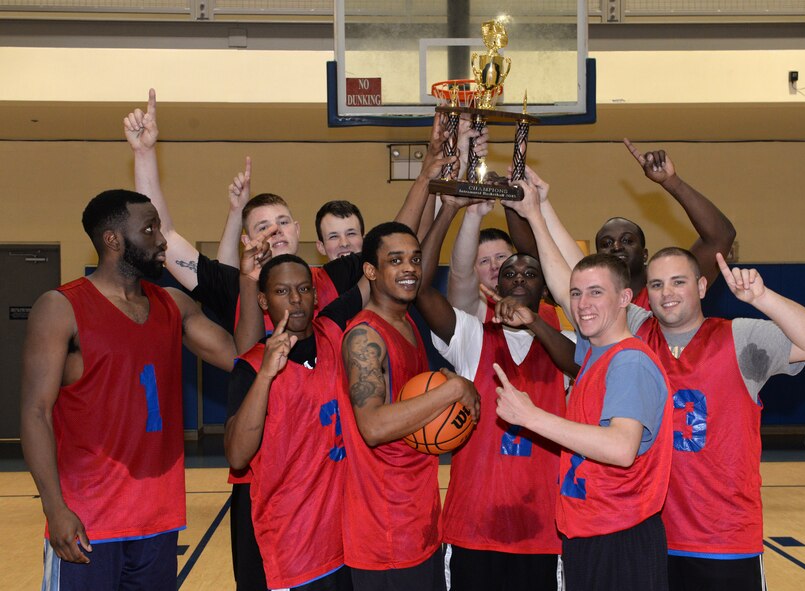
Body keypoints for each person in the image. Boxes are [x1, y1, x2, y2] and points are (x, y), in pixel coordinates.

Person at [125, 90, 454, 591]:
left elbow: (393, 242)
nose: (272, 232)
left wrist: (429, 174)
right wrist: (145, 154)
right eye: (260, 226)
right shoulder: (230, 285)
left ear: (299, 232)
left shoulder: (332, 287)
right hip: (266, 484)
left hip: (329, 484)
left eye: (281, 223)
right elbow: (166, 239)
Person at [20, 189, 238, 590]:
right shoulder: (61, 308)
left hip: (158, 517)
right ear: (113, 240)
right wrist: (55, 509)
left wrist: (253, 279)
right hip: (88, 518)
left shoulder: (174, 304)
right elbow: (35, 413)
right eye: (150, 229)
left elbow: (241, 357)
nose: (161, 241)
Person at [635, 247, 805, 589]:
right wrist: (537, 211)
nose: (666, 293)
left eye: (678, 282)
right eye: (656, 284)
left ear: (701, 286)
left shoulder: (740, 337)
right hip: (651, 537)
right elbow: (572, 290)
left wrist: (762, 298)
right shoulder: (635, 333)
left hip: (723, 540)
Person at [415, 197, 578, 591]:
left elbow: (578, 365)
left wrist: (535, 322)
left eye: (530, 272)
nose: (519, 277)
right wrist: (449, 211)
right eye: (510, 273)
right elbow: (419, 288)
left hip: (542, 532)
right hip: (472, 529)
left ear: (546, 288)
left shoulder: (567, 343)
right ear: (496, 284)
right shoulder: (472, 337)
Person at [493, 252, 672, 591]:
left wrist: (531, 417)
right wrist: (531, 319)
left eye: (595, 292)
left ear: (624, 299)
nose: (582, 303)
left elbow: (621, 447)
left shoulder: (629, 362)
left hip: (620, 537)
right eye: (575, 293)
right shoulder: (594, 354)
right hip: (591, 532)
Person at [338, 221, 480, 591]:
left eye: (415, 259)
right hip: (385, 531)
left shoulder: (406, 323)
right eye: (395, 260)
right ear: (371, 270)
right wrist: (451, 391)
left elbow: (411, 399)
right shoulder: (364, 335)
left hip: (418, 518)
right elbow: (373, 426)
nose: (410, 269)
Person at [225, 253, 366, 590]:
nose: (296, 300)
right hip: (293, 544)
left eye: (303, 289)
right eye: (282, 292)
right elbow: (237, 456)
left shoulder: (332, 330)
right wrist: (266, 376)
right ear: (263, 300)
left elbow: (378, 271)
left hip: (345, 537)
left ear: (316, 296)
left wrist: (440, 206)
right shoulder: (251, 367)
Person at [505, 141, 736, 310]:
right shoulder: (594, 299)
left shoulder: (668, 290)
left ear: (645, 254)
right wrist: (537, 204)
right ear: (599, 257)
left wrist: (671, 182)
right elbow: (537, 252)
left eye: (627, 240)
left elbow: (721, 236)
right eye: (606, 244)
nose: (616, 247)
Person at [445, 199, 562, 329]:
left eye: (500, 257)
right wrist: (473, 214)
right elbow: (461, 274)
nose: (494, 266)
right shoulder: (475, 307)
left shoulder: (548, 311)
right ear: (474, 271)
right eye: (484, 261)